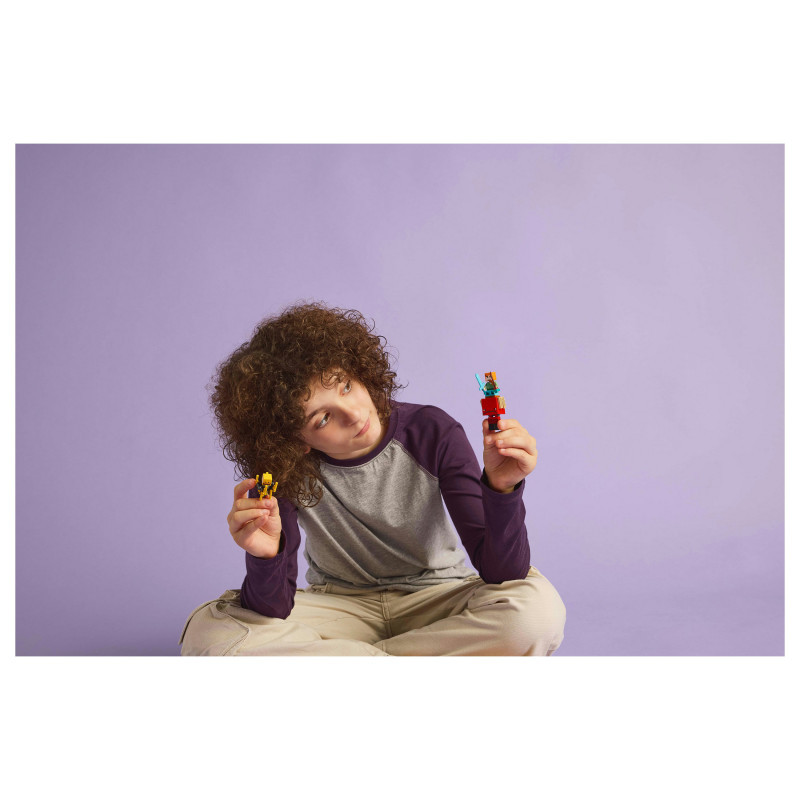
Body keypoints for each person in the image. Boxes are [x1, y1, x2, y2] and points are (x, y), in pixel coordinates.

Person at [179, 302, 566, 656]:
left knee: (536, 612)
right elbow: (274, 607)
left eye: (345, 385)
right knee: (209, 633)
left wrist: (502, 489)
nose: (353, 413)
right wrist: (266, 556)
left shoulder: (433, 431)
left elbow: (502, 574)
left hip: (438, 599)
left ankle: (355, 662)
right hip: (338, 607)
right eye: (323, 418)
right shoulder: (284, 470)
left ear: (359, 369)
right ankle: (422, 661)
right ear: (295, 442)